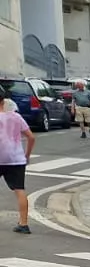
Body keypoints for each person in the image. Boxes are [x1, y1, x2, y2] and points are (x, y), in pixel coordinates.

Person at [0, 98, 35, 234]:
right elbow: (31, 137)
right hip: (16, 158)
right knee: (19, 189)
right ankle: (24, 223)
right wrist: (27, 155)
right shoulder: (16, 117)